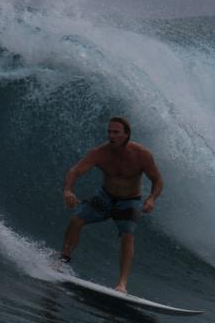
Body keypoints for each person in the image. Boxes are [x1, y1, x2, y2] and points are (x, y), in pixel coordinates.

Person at [60, 117, 163, 293]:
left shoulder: (142, 155)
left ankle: (122, 284)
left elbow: (157, 180)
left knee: (127, 235)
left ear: (126, 135)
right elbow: (75, 171)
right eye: (109, 131)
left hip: (130, 201)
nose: (111, 135)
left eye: (116, 132)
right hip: (105, 197)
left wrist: (152, 198)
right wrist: (68, 190)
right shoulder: (99, 153)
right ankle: (62, 262)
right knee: (76, 220)